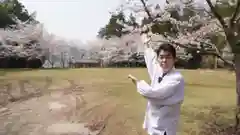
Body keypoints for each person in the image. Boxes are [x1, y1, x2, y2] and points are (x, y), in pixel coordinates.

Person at [129, 42, 185, 135]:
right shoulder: (159, 71)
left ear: (174, 59)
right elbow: (151, 60)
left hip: (165, 127)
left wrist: (138, 84)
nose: (164, 60)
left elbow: (155, 94)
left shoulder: (177, 78)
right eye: (161, 57)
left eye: (168, 57)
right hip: (153, 123)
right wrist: (146, 42)